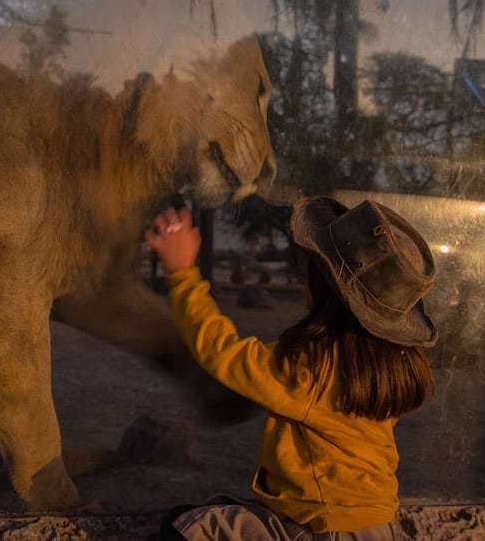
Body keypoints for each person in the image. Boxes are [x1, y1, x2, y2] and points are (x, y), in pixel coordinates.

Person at [144, 196, 439, 541]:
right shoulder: (389, 367)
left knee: (182, 527)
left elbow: (220, 352)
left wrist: (182, 273)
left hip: (320, 529)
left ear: (319, 286)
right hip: (378, 528)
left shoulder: (311, 369)